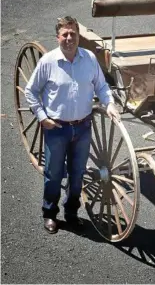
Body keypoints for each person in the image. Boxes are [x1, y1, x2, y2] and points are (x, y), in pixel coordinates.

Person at [25, 16, 120, 234]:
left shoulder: (89, 58)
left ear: (78, 36)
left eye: (73, 34)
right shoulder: (48, 61)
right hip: (56, 128)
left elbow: (102, 86)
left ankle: (71, 213)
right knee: (53, 174)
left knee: (77, 174)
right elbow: (30, 91)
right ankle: (50, 214)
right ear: (57, 37)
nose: (69, 38)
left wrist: (110, 104)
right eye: (65, 34)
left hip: (83, 127)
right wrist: (41, 116)